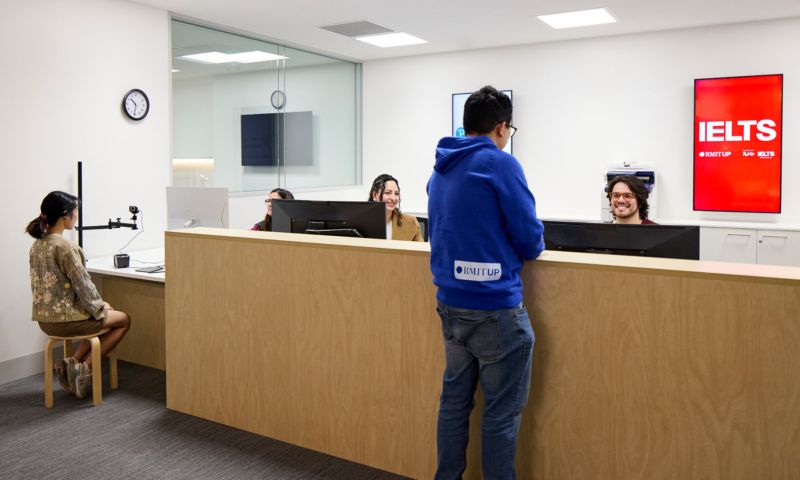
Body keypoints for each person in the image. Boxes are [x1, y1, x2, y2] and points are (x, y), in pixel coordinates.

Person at [427, 86, 545, 479]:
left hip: (451, 306)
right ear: (501, 127)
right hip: (494, 308)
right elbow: (530, 240)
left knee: (454, 403)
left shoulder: (441, 166)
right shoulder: (500, 164)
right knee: (500, 415)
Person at [26, 191, 131, 399]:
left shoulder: (37, 245)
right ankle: (83, 369)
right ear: (66, 215)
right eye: (76, 211)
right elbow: (84, 286)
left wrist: (98, 308)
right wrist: (101, 307)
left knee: (99, 317)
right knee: (124, 319)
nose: (77, 215)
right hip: (68, 321)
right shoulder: (66, 247)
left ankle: (70, 365)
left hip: (45, 320)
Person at [368, 174, 423, 241]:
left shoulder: (411, 222)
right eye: (388, 193)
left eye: (396, 193)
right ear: (374, 195)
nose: (393, 198)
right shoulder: (362, 222)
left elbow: (420, 250)